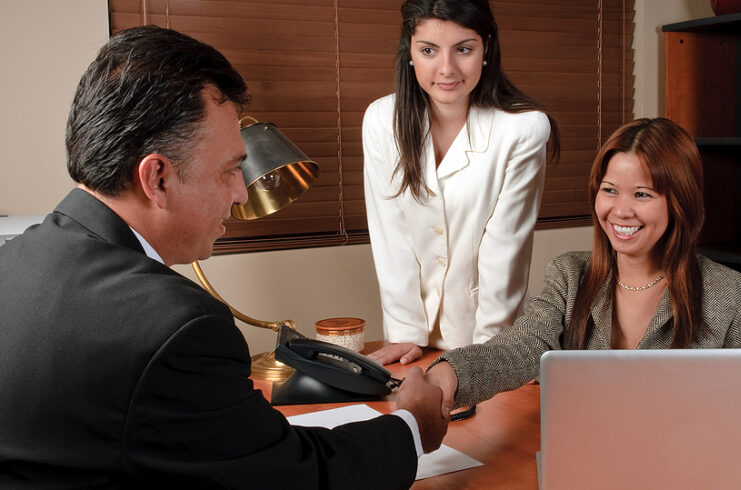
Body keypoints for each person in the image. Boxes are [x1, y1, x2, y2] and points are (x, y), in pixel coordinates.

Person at [0, 25, 448, 489]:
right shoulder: (176, 328)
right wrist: (413, 425)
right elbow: (294, 480)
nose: (241, 193)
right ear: (157, 178)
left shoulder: (13, 263)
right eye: (231, 169)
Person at [424, 117, 741, 410]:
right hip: (585, 449)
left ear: (680, 201)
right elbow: (521, 346)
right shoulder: (569, 276)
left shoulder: (731, 294)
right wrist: (448, 375)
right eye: (609, 190)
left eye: (642, 194)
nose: (621, 210)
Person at [364, 0, 559, 365]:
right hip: (412, 339)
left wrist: (486, 358)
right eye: (428, 51)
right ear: (409, 52)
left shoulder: (523, 128)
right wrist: (405, 336)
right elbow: (390, 237)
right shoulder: (381, 120)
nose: (446, 69)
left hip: (488, 338)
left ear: (486, 49)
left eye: (464, 49)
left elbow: (505, 251)